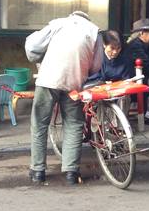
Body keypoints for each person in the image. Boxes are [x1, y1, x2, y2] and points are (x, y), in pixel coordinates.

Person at [25, 11, 104, 185]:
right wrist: (83, 71)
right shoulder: (94, 31)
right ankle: (71, 173)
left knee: (39, 123)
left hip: (48, 80)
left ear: (72, 16)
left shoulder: (58, 23)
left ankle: (38, 171)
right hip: (74, 83)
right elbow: (97, 65)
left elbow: (33, 47)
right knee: (74, 124)